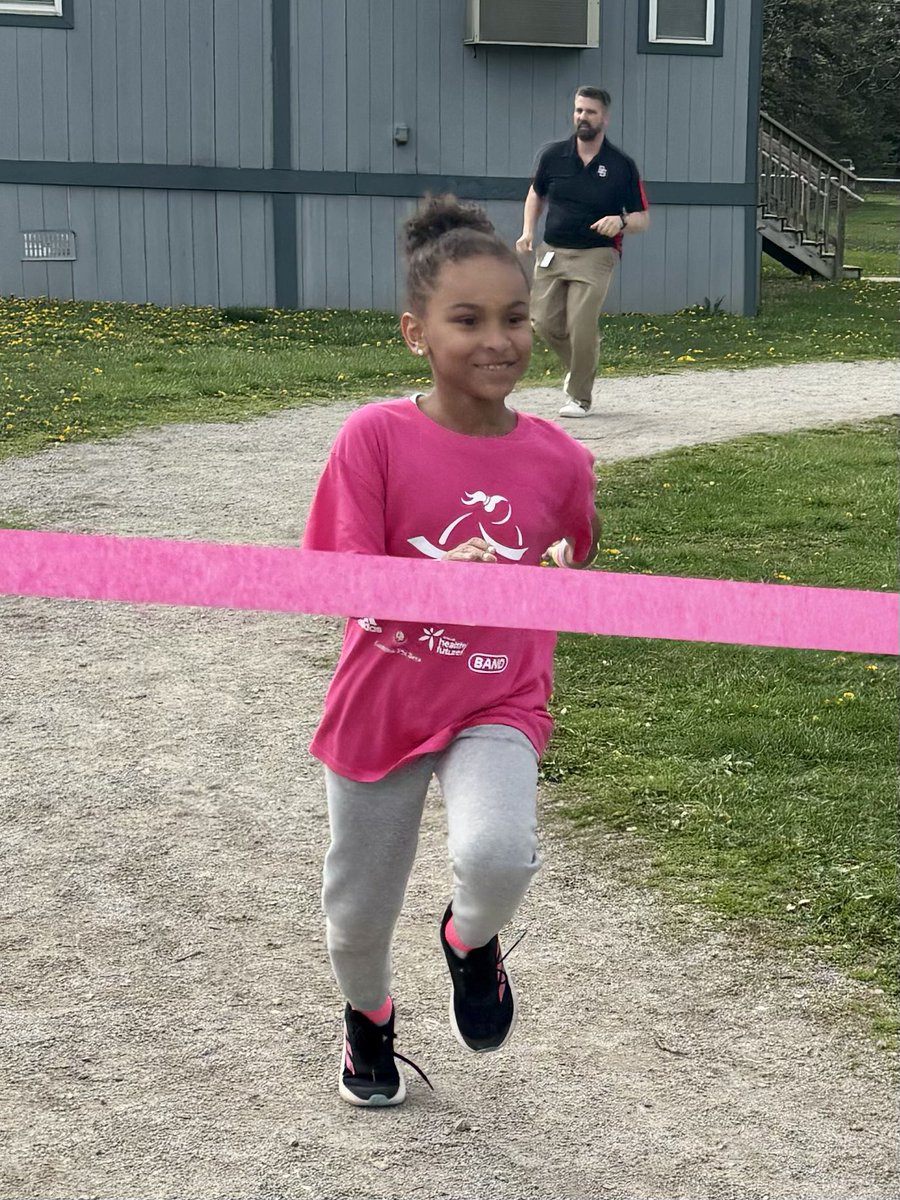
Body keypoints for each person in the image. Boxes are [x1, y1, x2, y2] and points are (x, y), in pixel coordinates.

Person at [302, 195, 602, 1107]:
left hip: (495, 695)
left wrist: (556, 563)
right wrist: (429, 578)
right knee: (357, 917)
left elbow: (575, 547)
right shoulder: (374, 439)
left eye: (514, 317)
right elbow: (335, 581)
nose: (498, 340)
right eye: (466, 320)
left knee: (502, 854)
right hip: (384, 705)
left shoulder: (560, 459)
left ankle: (471, 943)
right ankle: (370, 1023)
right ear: (415, 334)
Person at [516, 86, 649, 419]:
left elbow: (641, 219)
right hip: (553, 251)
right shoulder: (553, 156)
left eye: (589, 112)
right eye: (578, 110)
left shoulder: (621, 166)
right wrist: (528, 231)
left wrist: (619, 221)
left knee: (581, 322)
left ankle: (580, 397)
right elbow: (535, 195)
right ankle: (579, 368)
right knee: (543, 322)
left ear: (604, 117)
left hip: (597, 254)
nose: (582, 117)